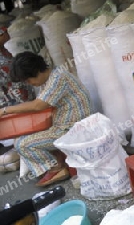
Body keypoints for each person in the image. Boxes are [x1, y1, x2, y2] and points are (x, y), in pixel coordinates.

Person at [1, 51, 91, 186]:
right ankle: (56, 160)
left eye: (28, 80)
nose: (30, 83)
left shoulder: (58, 78)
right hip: (64, 125)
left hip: (72, 128)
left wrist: (5, 110)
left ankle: (56, 169)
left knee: (22, 144)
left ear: (36, 70)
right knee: (23, 138)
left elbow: (38, 105)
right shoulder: (51, 78)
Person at [0, 27, 35, 172]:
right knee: (19, 121)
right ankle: (22, 148)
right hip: (11, 95)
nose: (6, 34)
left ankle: (21, 149)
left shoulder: (4, 52)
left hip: (16, 92)